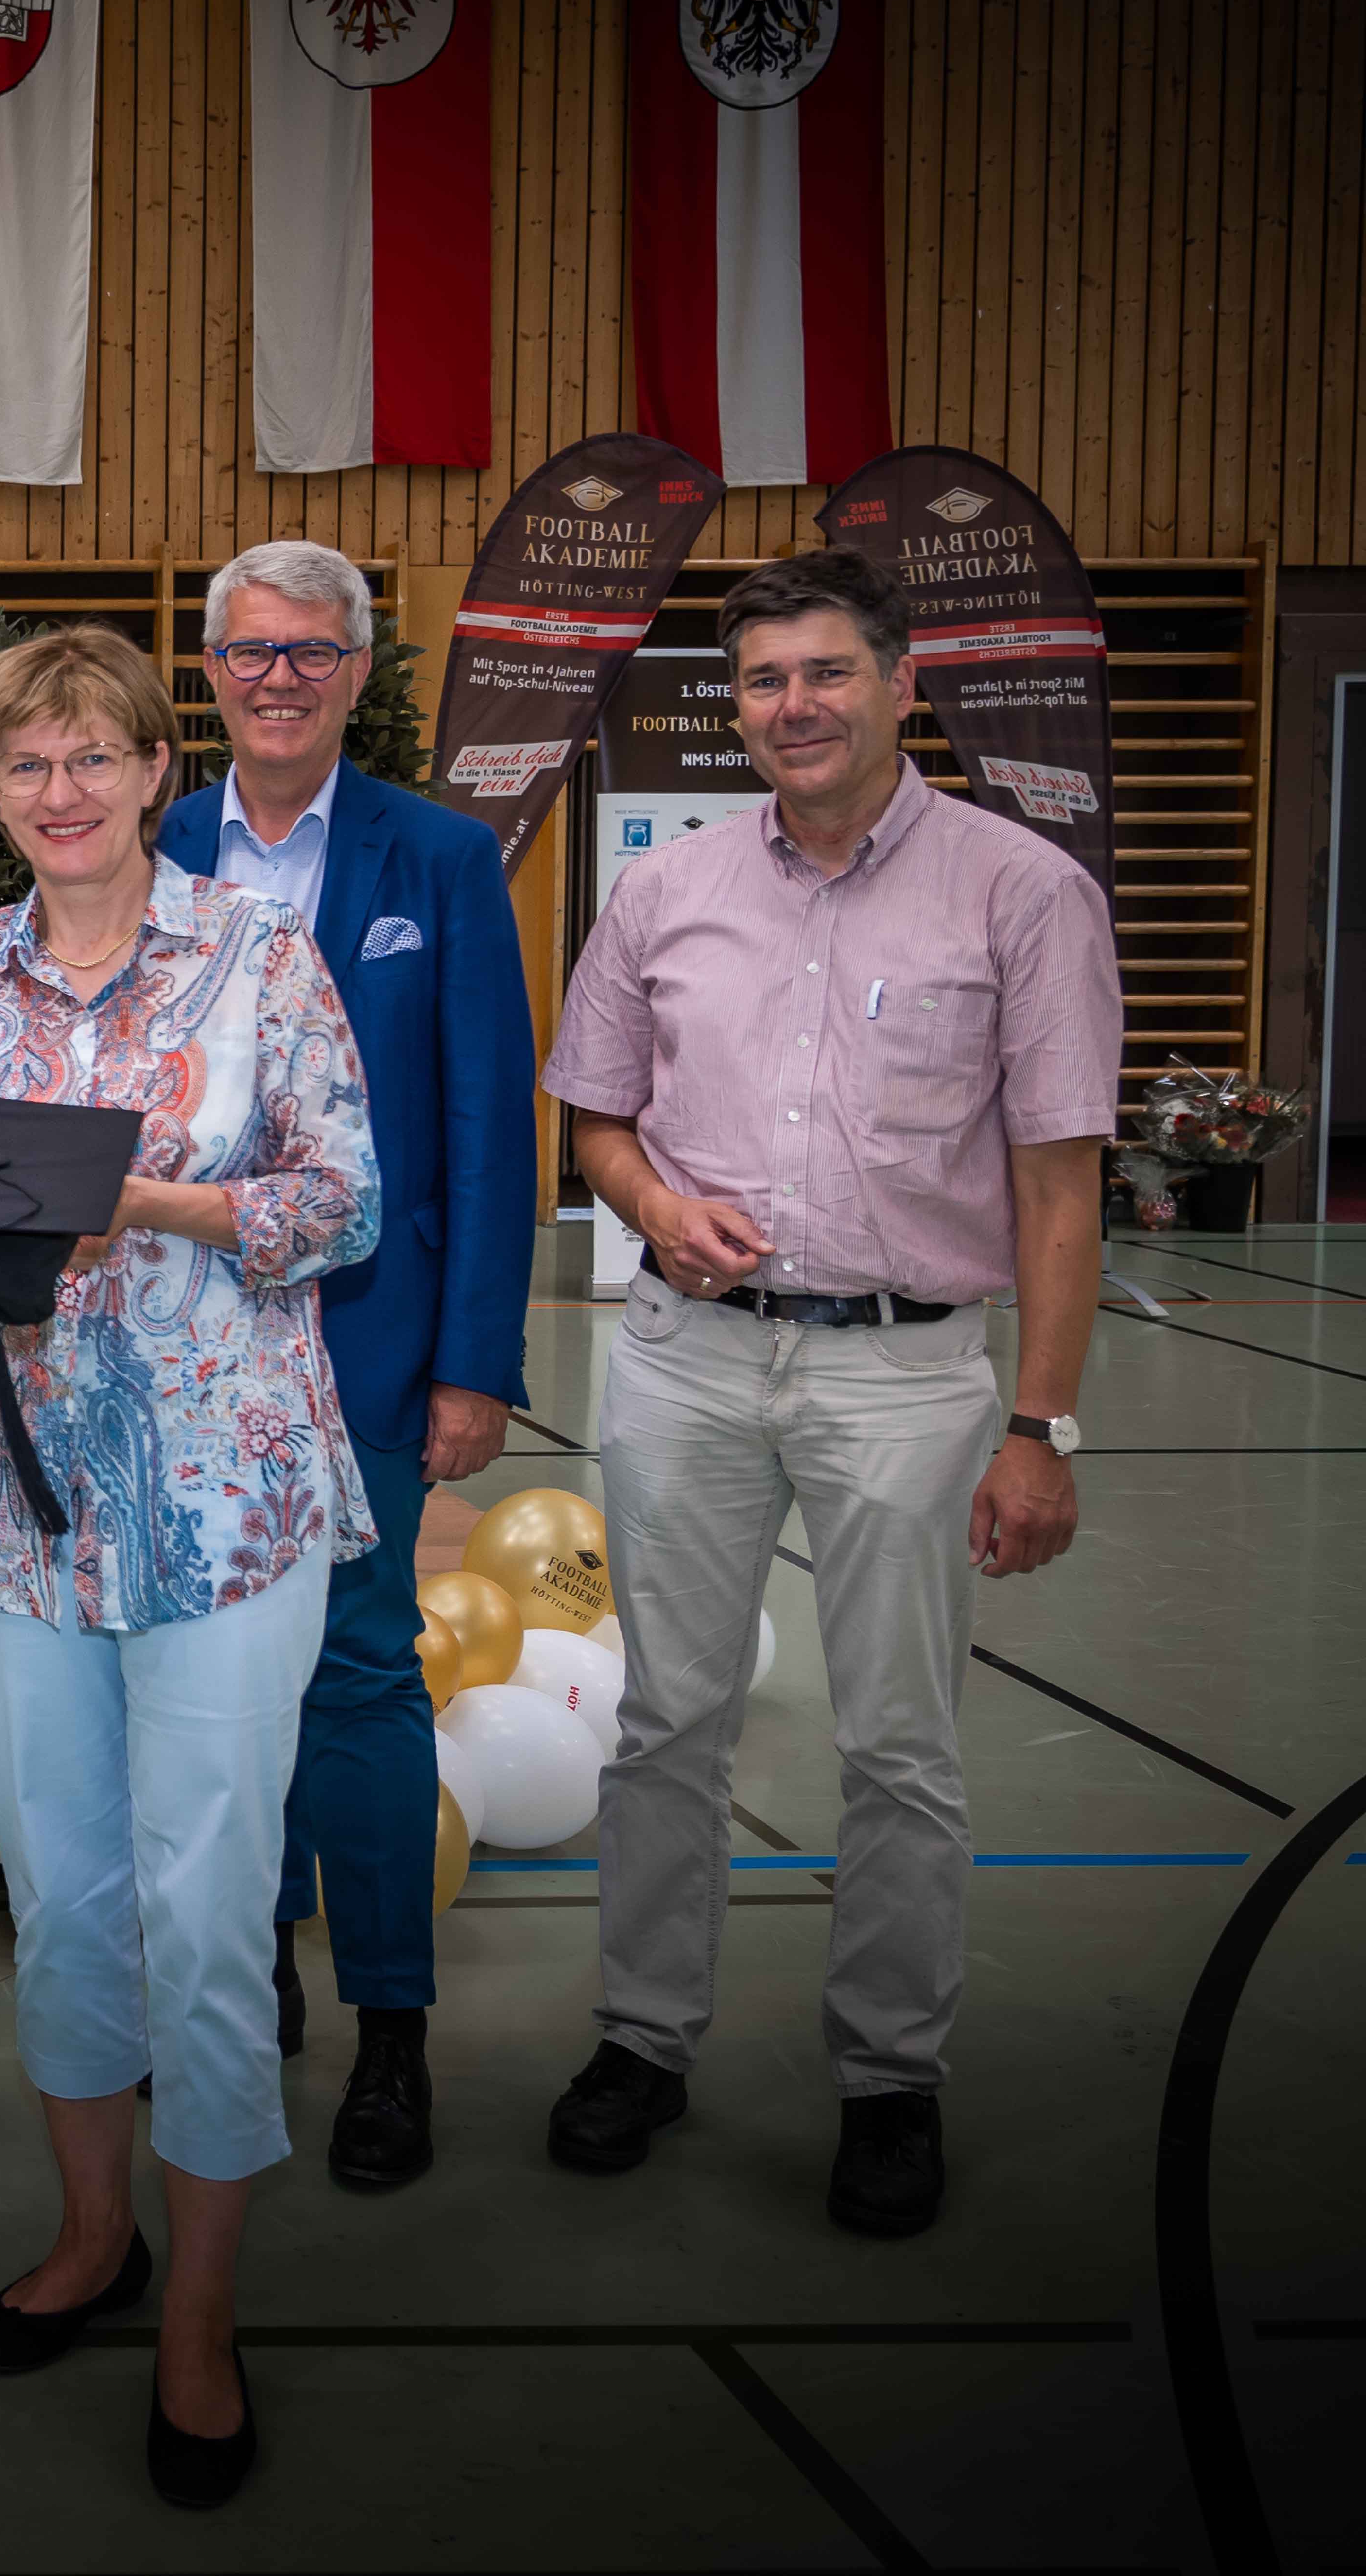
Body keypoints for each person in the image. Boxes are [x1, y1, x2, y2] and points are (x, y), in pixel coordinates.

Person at [537, 546, 1114, 2239]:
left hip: (909, 1377)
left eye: (828, 672)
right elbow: (597, 1117)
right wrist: (655, 1208)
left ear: (901, 683)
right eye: (764, 680)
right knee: (667, 1723)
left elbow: (1061, 1185)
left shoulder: (1022, 892)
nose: (794, 706)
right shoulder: (669, 890)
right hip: (686, 1360)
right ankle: (643, 2037)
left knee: (901, 1746)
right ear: (737, 707)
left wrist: (1042, 1428)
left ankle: (889, 2078)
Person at [0, 624, 376, 2508]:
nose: (62, 790)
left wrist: (140, 1197)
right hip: (21, 1498)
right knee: (66, 1895)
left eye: (93, 753)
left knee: (206, 1905)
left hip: (226, 1497)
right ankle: (91, 2233)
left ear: (153, 769)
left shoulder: (261, 953)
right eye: (25, 763)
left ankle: (198, 2308)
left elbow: (337, 1201)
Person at [157, 538, 537, 2188]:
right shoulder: (153, 842)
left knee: (363, 1674)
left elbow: (487, 1121)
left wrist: (476, 1363)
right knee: (207, 1684)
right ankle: (256, 1973)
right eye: (253, 651)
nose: (282, 678)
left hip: (372, 1337)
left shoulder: (439, 860)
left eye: (314, 651)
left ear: (360, 673)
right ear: (213, 670)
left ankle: (394, 2030)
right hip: (183, 1335)